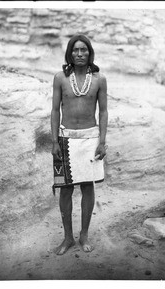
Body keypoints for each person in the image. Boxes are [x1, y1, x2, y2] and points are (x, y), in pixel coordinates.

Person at [51, 34, 108, 255]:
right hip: (65, 140)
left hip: (90, 139)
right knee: (65, 189)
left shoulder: (99, 79)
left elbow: (103, 111)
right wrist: (54, 140)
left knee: (87, 186)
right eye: (75, 50)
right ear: (69, 53)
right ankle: (68, 238)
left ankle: (84, 235)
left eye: (84, 50)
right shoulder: (60, 78)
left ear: (90, 52)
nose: (80, 54)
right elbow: (55, 110)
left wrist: (102, 141)